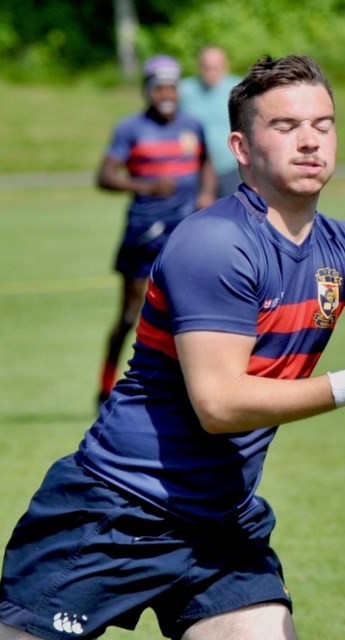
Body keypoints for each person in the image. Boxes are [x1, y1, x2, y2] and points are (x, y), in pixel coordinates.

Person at [0, 54, 345, 640]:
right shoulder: (216, 242)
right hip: (116, 510)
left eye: (323, 125)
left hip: (220, 523)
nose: (309, 141)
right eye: (285, 127)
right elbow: (218, 405)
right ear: (241, 148)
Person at [95, 54, 217, 404]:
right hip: (143, 233)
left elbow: (206, 162)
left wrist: (206, 193)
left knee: (188, 312)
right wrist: (146, 187)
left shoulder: (192, 126)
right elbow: (104, 177)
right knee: (130, 316)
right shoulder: (130, 128)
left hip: (183, 235)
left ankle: (186, 389)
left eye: (172, 88)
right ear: (148, 91)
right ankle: (105, 387)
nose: (167, 94)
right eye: (160, 88)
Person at [179, 45, 244, 198]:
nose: (211, 73)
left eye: (215, 68)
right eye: (206, 68)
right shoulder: (184, 90)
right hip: (195, 168)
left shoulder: (238, 89)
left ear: (225, 67)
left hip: (230, 167)